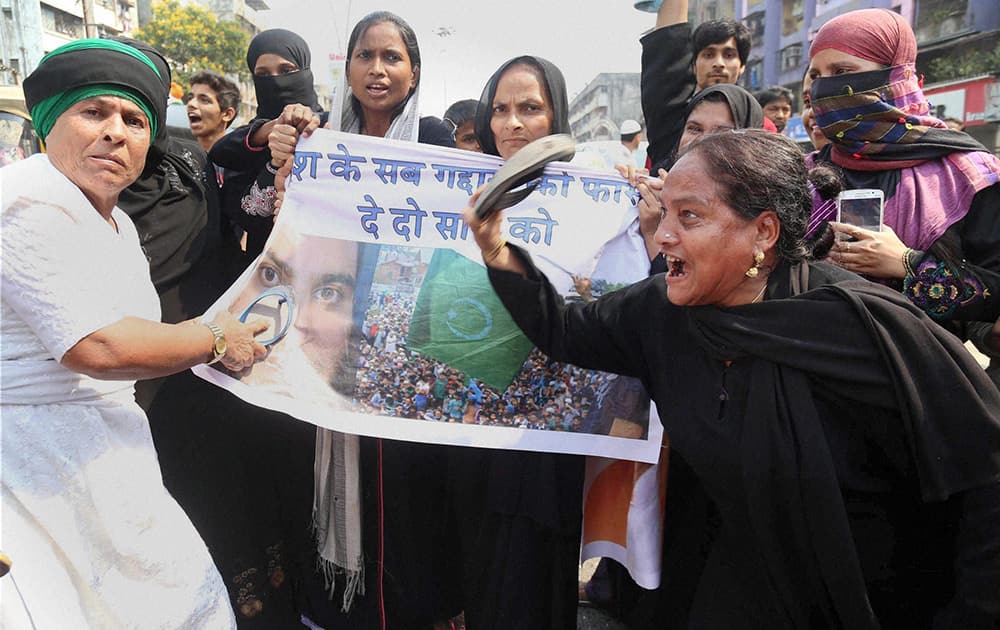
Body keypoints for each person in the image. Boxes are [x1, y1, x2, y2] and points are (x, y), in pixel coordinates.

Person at [466, 128, 1000, 629]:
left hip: (871, 599)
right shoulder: (660, 312)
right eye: (665, 212)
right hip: (742, 586)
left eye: (690, 216)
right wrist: (496, 247)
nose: (665, 234)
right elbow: (562, 330)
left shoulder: (866, 328)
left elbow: (986, 471)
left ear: (763, 232)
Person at [1, 38, 268, 629]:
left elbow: (138, 334)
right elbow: (98, 346)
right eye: (93, 113)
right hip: (29, 466)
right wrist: (216, 339)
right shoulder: (31, 199)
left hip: (101, 454)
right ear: (50, 124)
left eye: (134, 120)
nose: (115, 133)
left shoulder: (114, 219)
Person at [443, 54, 584, 630]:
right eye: (499, 109)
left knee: (531, 572)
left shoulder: (593, 195)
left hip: (543, 431)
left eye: (530, 108)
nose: (512, 124)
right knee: (476, 561)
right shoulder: (452, 185)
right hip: (468, 416)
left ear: (556, 115)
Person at [805, 10, 999, 345]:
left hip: (922, 379)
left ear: (894, 76)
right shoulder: (804, 171)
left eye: (842, 72)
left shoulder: (970, 177)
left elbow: (993, 294)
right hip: (808, 374)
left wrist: (907, 264)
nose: (825, 87)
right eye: (816, 76)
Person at [209, 28, 326, 260]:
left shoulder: (332, 129)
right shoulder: (245, 144)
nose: (276, 81)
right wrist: (270, 137)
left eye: (286, 70)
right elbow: (246, 214)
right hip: (263, 268)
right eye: (263, 74)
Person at [640, 0, 751, 173]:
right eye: (708, 54)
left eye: (729, 55)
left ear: (742, 65)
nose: (718, 64)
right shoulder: (673, 122)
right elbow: (668, 50)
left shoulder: (762, 128)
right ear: (693, 64)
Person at [185, 70, 239, 153]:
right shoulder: (180, 157)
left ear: (227, 114)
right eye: (190, 98)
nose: (191, 104)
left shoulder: (236, 163)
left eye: (204, 100)